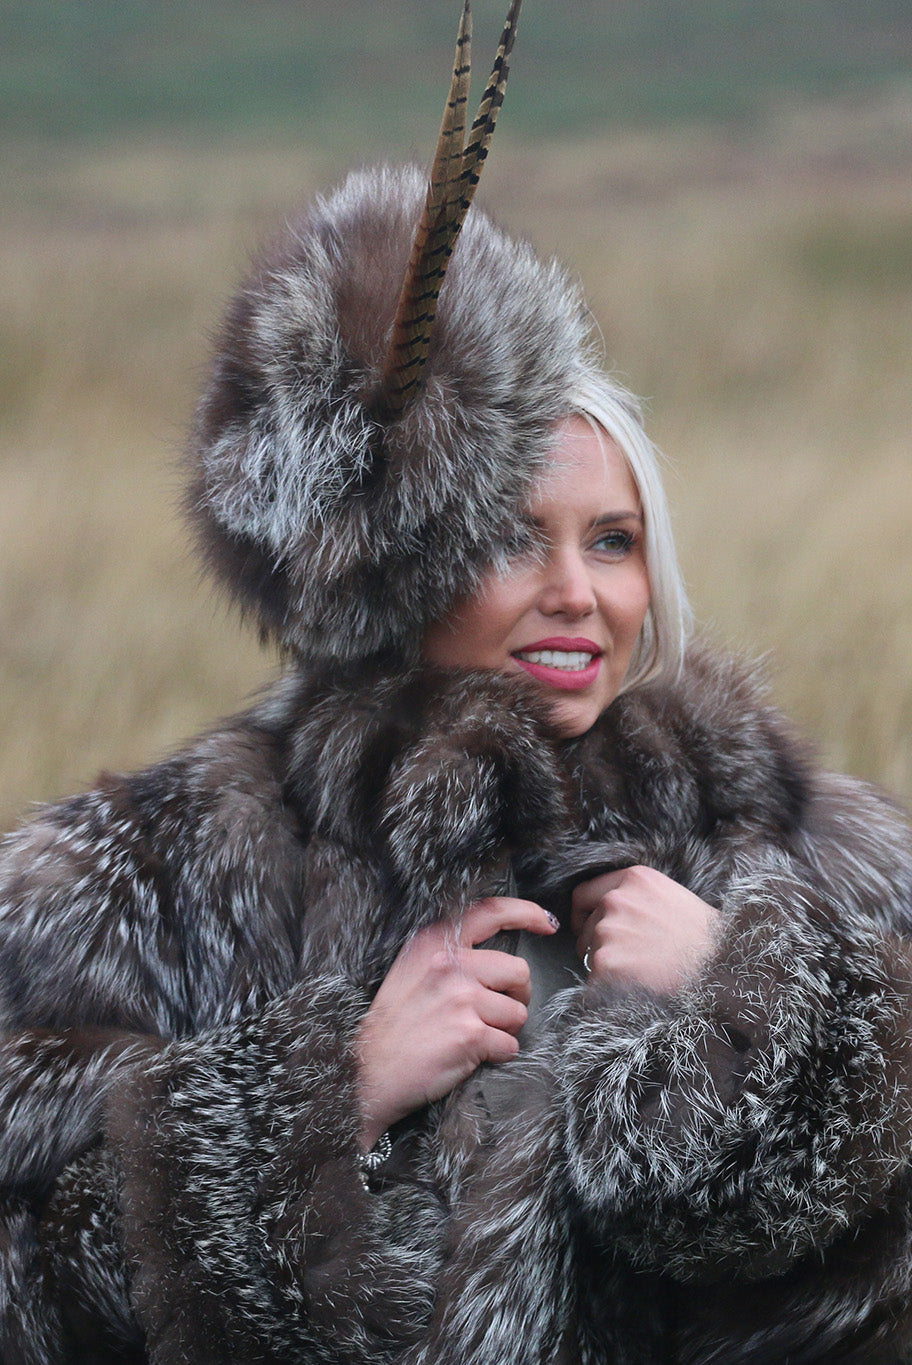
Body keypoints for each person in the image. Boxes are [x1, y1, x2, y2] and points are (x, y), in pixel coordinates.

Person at [2, 6, 912, 1363]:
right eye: (509, 537)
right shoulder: (168, 872)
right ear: (412, 554)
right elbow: (31, 1294)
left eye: (614, 540)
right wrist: (323, 1102)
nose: (580, 591)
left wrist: (762, 1006)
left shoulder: (789, 848)